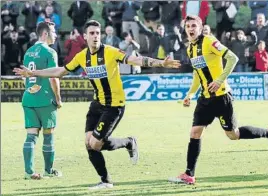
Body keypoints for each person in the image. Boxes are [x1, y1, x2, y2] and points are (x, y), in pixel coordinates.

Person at [14, 20, 180, 189]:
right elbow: (59, 71)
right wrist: (32, 72)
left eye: (97, 33)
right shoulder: (82, 56)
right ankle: (121, 154)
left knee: (95, 144)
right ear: (85, 36)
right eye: (92, 33)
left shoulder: (110, 52)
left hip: (114, 105)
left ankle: (110, 175)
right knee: (89, 143)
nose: (95, 36)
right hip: (97, 104)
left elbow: (135, 60)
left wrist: (160, 62)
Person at [168, 15, 268, 185]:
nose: (191, 29)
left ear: (200, 28)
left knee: (233, 134)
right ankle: (189, 174)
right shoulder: (190, 49)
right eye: (188, 26)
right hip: (205, 100)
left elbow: (233, 58)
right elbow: (197, 74)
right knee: (195, 132)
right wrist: (190, 94)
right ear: (185, 29)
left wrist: (219, 80)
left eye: (194, 25)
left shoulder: (209, 41)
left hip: (222, 98)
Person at [20, 21, 62, 180]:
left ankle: (28, 172)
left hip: (29, 98)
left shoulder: (28, 52)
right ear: (45, 34)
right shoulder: (50, 52)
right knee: (48, 135)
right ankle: (48, 170)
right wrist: (58, 99)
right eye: (53, 31)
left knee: (31, 135)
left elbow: (25, 78)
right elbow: (54, 77)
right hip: (45, 98)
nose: (56, 34)